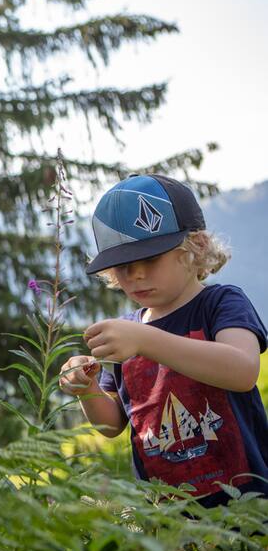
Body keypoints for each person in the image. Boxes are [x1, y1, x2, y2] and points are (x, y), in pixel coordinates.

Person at [59, 173, 268, 507]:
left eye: (151, 259)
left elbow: (242, 370)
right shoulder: (127, 334)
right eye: (124, 266)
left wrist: (145, 340)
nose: (136, 275)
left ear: (195, 247)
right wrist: (87, 388)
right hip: (168, 518)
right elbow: (113, 423)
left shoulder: (221, 303)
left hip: (249, 507)